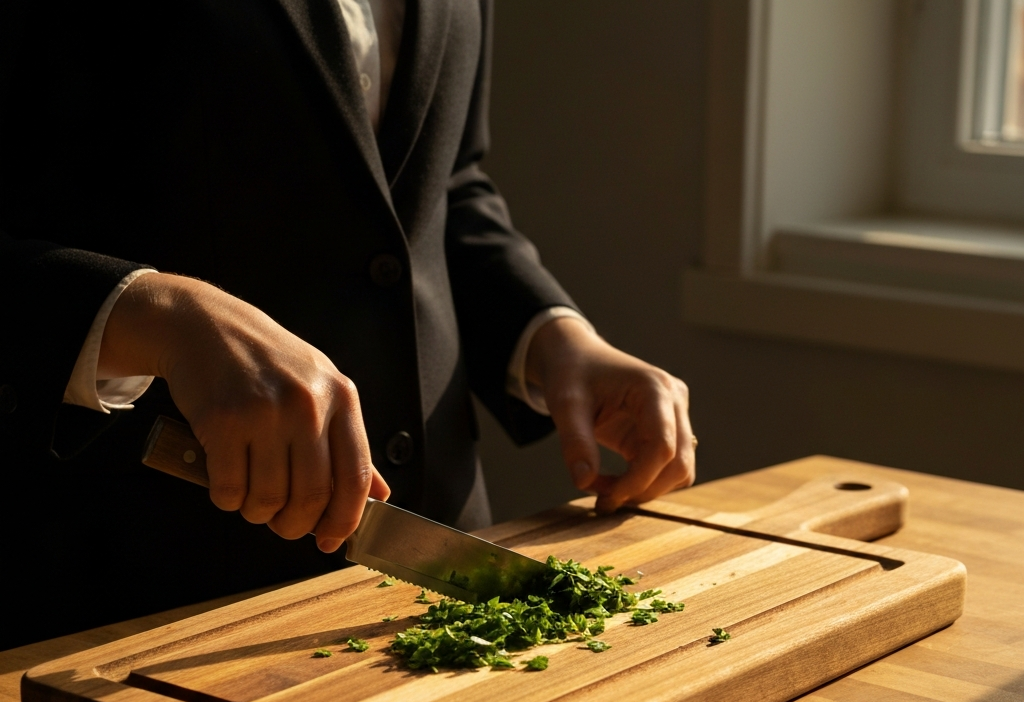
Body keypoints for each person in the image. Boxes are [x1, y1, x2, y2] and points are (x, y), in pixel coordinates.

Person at [0, 0, 694, 650]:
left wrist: (551, 334)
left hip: (438, 572)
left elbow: (441, 187)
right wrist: (154, 314)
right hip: (134, 606)